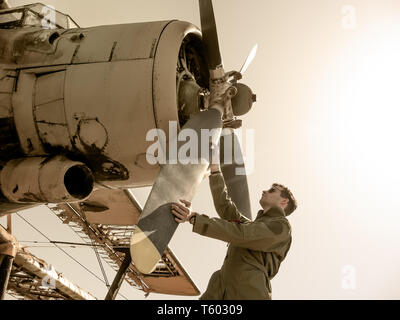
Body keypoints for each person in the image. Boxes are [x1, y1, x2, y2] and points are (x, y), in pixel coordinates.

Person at [171, 164, 297, 300]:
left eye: (272, 190)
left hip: (249, 291)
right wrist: (215, 171)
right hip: (220, 288)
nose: (264, 191)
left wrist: (194, 218)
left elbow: (241, 234)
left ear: (284, 201)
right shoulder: (250, 226)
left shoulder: (281, 227)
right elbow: (225, 206)